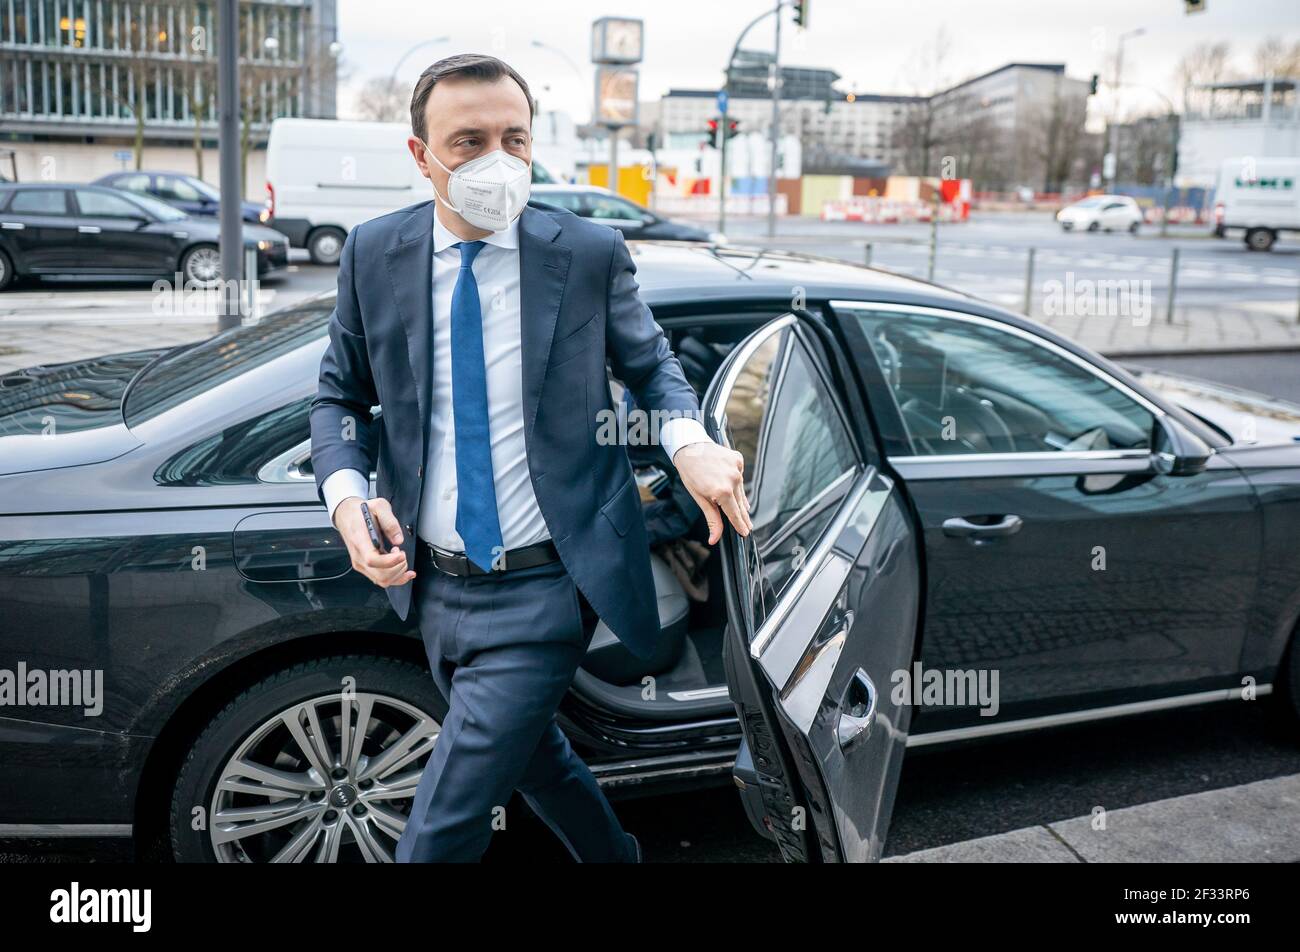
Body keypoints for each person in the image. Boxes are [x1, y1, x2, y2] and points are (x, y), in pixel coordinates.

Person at [309, 53, 751, 863]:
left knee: (438, 832)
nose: (497, 161)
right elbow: (339, 397)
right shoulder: (374, 253)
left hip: (550, 582)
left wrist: (689, 445)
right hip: (432, 582)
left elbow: (652, 366)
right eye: (469, 141)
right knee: (537, 760)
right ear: (421, 156)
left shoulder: (582, 251)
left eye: (515, 139)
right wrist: (345, 500)